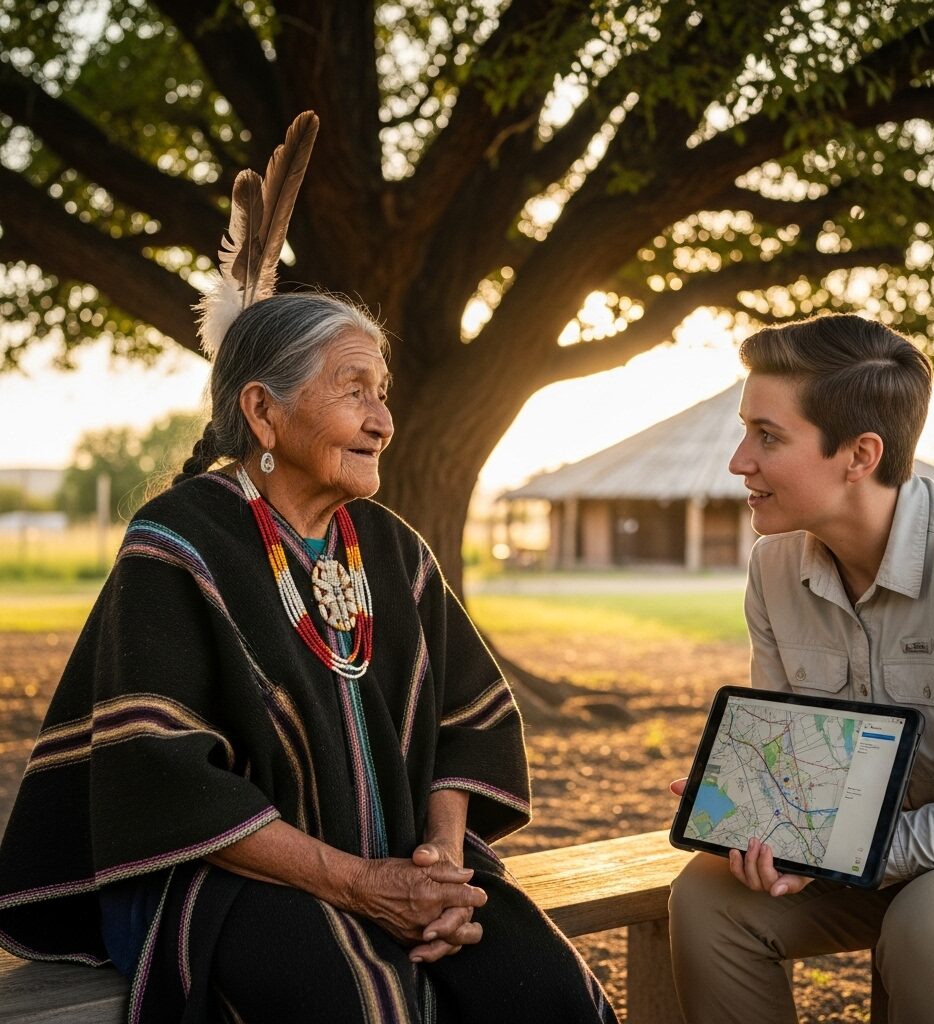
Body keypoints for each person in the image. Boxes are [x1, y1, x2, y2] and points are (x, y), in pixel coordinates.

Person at [0, 110, 617, 1024]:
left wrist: (440, 863)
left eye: (384, 393)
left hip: (404, 859)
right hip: (224, 877)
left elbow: (465, 722)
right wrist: (360, 884)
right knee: (362, 1002)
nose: (382, 419)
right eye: (352, 389)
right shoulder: (178, 545)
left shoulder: (393, 550)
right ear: (262, 410)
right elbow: (163, 779)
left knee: (547, 991)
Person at [668, 313, 934, 1024]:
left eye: (767, 437)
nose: (740, 461)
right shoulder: (773, 567)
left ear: (860, 454)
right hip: (865, 852)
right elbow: (787, 754)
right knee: (706, 899)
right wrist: (743, 805)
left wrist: (839, 846)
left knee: (933, 925)